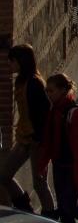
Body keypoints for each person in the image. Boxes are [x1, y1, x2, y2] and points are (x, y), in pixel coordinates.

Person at [0, 44, 55, 214]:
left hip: (37, 141)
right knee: (4, 175)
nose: (10, 65)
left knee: (39, 182)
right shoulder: (21, 81)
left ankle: (49, 215)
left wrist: (38, 140)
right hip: (24, 138)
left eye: (12, 61)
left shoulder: (35, 84)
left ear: (21, 62)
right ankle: (25, 209)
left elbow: (44, 114)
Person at [38, 73, 78, 223]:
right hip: (59, 165)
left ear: (62, 90)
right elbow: (49, 141)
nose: (48, 94)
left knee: (68, 209)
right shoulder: (54, 110)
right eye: (47, 91)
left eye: (51, 90)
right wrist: (42, 164)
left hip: (71, 167)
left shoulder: (74, 113)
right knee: (66, 207)